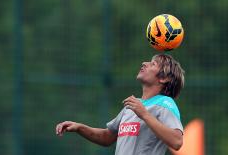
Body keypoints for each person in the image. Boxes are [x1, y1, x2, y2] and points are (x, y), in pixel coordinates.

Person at [56, 54, 184, 155]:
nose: (144, 63)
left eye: (153, 64)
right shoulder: (133, 106)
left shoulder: (165, 104)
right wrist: (79, 127)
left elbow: (177, 141)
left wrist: (144, 114)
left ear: (164, 78)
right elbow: (107, 137)